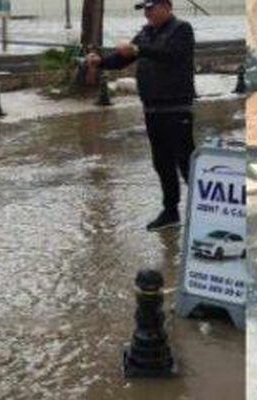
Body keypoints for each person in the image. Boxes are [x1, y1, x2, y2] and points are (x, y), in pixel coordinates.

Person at [88, 0, 195, 231]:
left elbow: (171, 55)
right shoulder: (146, 33)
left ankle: (203, 209)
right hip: (152, 109)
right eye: (145, 10)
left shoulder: (182, 29)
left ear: (167, 6)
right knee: (162, 162)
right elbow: (123, 58)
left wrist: (138, 49)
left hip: (177, 108)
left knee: (186, 162)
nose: (147, 14)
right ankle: (170, 211)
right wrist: (101, 62)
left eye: (151, 8)